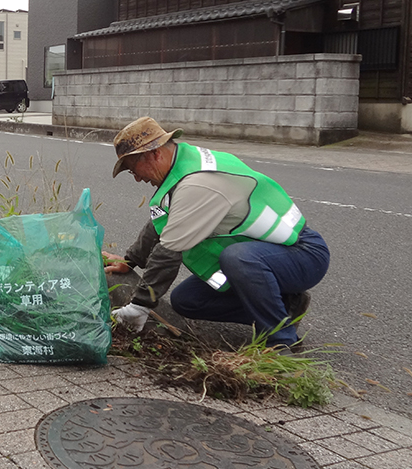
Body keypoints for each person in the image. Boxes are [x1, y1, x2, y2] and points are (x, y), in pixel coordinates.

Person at [104, 116, 329, 349]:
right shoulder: (184, 163)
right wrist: (130, 261)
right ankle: (285, 307)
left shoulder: (197, 182)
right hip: (267, 254)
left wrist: (139, 307)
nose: (138, 178)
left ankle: (282, 343)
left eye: (134, 170)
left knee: (238, 258)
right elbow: (162, 222)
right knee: (187, 301)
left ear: (154, 154)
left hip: (302, 253)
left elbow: (168, 251)